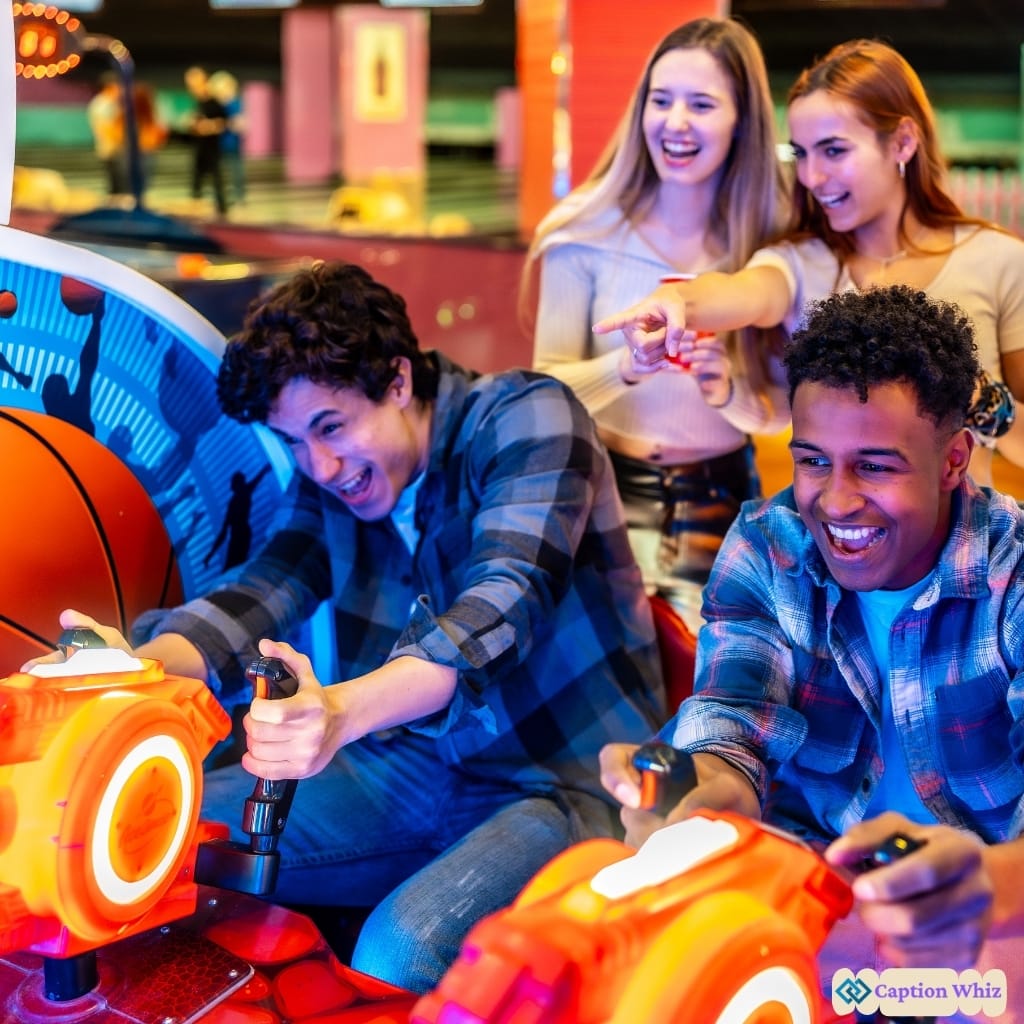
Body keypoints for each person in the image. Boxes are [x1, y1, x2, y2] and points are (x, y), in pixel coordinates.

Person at [33, 260, 665, 994]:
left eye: (331, 427)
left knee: (398, 953)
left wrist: (338, 712)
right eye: (296, 441)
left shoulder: (528, 417)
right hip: (415, 763)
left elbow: (501, 600)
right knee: (135, 840)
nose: (322, 464)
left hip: (567, 780)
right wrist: (137, 669)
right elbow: (262, 589)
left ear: (399, 381)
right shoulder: (333, 475)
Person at [599, 285, 1024, 1021]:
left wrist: (990, 883)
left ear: (955, 460)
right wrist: (692, 805)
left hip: (981, 937)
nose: (835, 500)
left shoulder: (1011, 572)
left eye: (876, 466)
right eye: (813, 461)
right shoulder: (769, 544)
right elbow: (734, 727)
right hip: (812, 909)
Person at [595, 38, 1024, 487]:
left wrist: (979, 397)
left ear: (902, 142)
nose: (812, 177)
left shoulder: (998, 260)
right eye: (801, 153)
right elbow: (739, 291)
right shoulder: (800, 263)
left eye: (834, 150)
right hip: (831, 546)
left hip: (963, 550)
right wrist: (675, 299)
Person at [525, 17, 791, 627]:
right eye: (661, 100)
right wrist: (626, 368)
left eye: (701, 104)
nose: (675, 123)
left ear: (740, 121)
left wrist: (731, 392)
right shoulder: (584, 231)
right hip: (605, 489)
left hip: (722, 494)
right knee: (613, 698)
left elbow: (786, 406)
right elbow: (544, 392)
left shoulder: (771, 247)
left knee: (703, 695)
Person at [183, 65, 228, 216]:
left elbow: (223, 123)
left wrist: (206, 127)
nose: (192, 87)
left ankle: (222, 210)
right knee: (197, 181)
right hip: (199, 148)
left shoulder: (213, 102)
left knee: (216, 180)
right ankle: (196, 208)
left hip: (212, 147)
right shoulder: (197, 102)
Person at [208, 70, 246, 207]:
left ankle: (238, 196)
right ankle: (223, 195)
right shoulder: (218, 104)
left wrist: (224, 124)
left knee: (235, 170)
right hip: (219, 143)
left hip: (231, 142)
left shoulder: (234, 104)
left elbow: (239, 123)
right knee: (221, 172)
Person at [86, 72, 125, 197]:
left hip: (114, 147)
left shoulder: (108, 103)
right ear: (111, 86)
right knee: (117, 184)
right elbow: (105, 128)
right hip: (111, 147)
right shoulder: (102, 104)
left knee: (119, 182)